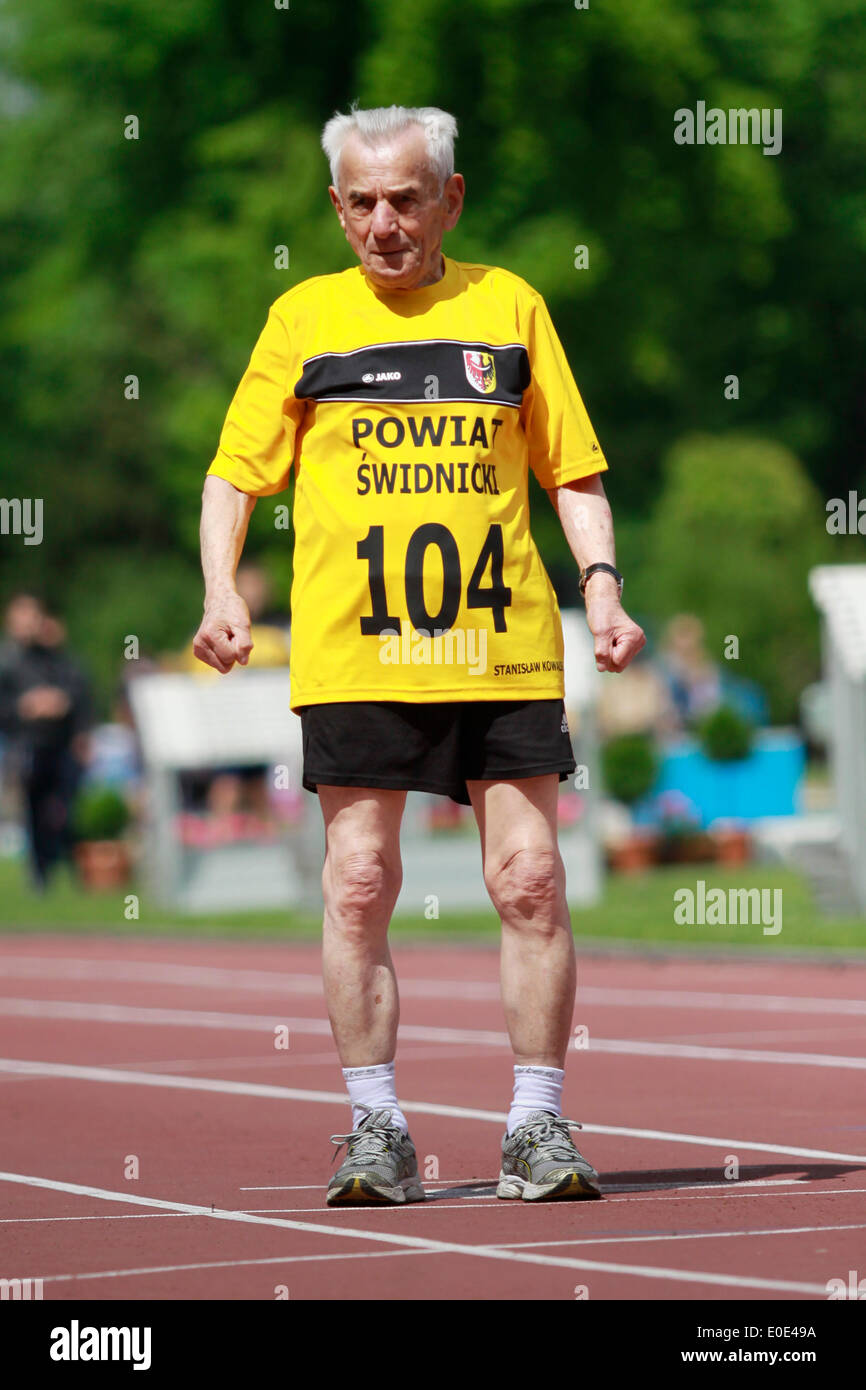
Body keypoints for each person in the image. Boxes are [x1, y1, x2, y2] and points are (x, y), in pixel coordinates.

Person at [193, 105, 645, 1206]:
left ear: (450, 198)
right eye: (361, 202)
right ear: (335, 207)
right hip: (359, 656)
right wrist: (217, 589)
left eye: (405, 199)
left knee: (529, 879)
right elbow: (232, 476)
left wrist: (601, 587)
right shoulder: (302, 320)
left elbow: (570, 471)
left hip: (501, 650)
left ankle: (535, 1123)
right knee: (356, 884)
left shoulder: (510, 307)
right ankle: (374, 1128)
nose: (384, 224)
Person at [0, 595, 92, 888]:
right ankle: (39, 873)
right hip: (23, 747)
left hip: (59, 745)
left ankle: (65, 865)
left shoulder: (54, 659)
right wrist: (24, 707)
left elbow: (79, 695)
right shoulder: (6, 662)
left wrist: (63, 706)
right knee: (33, 811)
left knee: (64, 808)